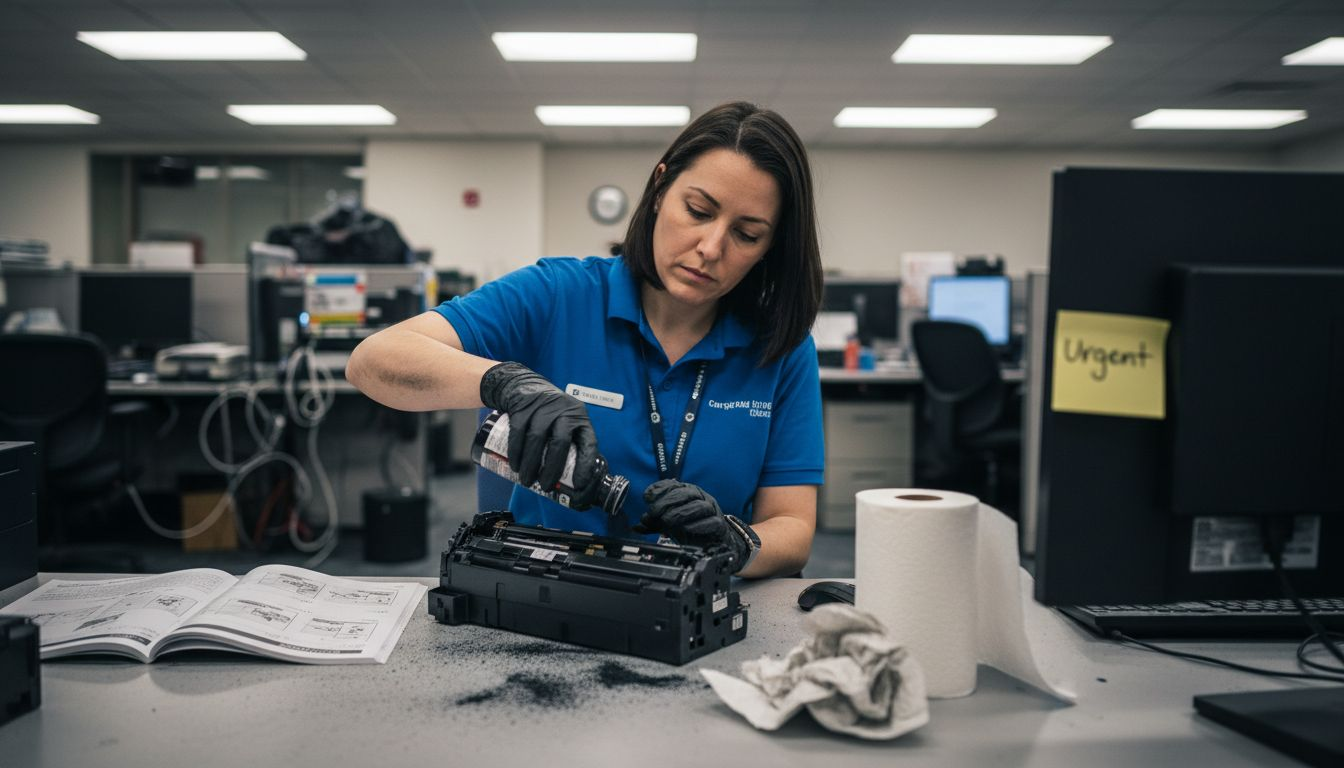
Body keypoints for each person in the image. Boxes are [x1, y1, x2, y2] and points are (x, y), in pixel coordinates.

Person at [347, 101, 824, 577]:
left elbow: (793, 528)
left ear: (770, 248)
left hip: (699, 605)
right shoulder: (559, 294)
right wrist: (506, 383)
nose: (711, 248)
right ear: (660, 189)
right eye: (698, 211)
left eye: (746, 234)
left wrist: (736, 542)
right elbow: (373, 360)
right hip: (548, 597)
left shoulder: (779, 346)